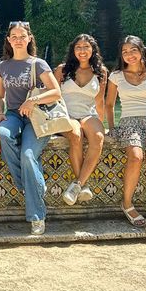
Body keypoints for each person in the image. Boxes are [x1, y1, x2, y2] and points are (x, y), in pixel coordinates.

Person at [0, 22, 63, 236]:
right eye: (13, 36)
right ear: (8, 40)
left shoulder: (38, 64)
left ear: (29, 38)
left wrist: (33, 100)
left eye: (22, 36)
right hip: (14, 114)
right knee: (2, 135)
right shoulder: (2, 66)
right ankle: (26, 182)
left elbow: (56, 92)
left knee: (28, 155)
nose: (17, 39)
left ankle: (37, 216)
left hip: (37, 117)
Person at [105, 35, 146, 234]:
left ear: (142, 52)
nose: (129, 55)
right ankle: (127, 204)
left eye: (133, 50)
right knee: (135, 157)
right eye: (125, 52)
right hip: (129, 122)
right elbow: (108, 104)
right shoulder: (115, 76)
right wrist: (112, 128)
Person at [54, 34, 108, 205]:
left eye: (86, 47)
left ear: (93, 50)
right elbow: (53, 96)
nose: (82, 51)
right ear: (73, 50)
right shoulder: (62, 70)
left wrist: (103, 123)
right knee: (76, 134)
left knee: (98, 137)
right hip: (65, 114)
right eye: (79, 47)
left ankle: (77, 185)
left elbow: (99, 101)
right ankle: (82, 186)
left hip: (88, 114)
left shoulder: (101, 72)